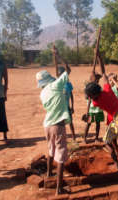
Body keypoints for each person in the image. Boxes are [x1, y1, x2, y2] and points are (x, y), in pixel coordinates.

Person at [82, 51, 118, 170]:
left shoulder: (96, 102)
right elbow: (104, 73)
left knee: (106, 142)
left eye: (90, 95)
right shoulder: (107, 89)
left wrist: (92, 80)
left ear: (92, 95)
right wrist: (100, 58)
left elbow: (89, 98)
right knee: (112, 136)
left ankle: (116, 162)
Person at [36, 61, 71, 195]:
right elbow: (68, 69)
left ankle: (49, 173)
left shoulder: (42, 93)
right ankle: (59, 189)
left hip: (47, 125)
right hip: (58, 125)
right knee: (61, 156)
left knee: (51, 150)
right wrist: (58, 56)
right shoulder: (55, 85)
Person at [83, 72, 104, 143]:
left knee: (98, 123)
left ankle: (96, 138)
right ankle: (84, 139)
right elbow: (86, 97)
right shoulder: (88, 86)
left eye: (98, 79)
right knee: (88, 123)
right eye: (96, 79)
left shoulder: (99, 87)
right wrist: (89, 92)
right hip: (91, 109)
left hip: (98, 109)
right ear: (92, 79)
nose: (97, 81)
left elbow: (101, 96)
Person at [58, 67, 76, 141]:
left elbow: (71, 95)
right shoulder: (57, 84)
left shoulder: (68, 84)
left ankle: (74, 137)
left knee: (70, 122)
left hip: (67, 107)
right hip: (60, 108)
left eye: (61, 74)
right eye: (59, 75)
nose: (60, 76)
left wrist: (72, 106)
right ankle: (62, 138)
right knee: (61, 124)